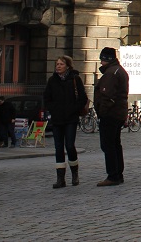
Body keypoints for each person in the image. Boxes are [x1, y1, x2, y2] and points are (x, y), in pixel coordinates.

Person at [43, 55, 88, 188]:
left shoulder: (75, 79)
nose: (58, 66)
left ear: (67, 66)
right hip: (57, 119)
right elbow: (47, 98)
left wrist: (74, 109)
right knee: (58, 147)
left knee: (69, 145)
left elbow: (82, 98)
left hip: (70, 119)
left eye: (61, 64)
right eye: (57, 64)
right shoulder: (52, 80)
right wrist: (52, 108)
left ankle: (75, 173)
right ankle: (60, 178)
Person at [94, 47, 129, 186]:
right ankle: (118, 173)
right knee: (115, 144)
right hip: (118, 113)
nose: (101, 63)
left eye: (102, 59)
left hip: (110, 114)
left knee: (108, 145)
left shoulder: (111, 73)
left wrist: (102, 111)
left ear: (106, 59)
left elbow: (107, 96)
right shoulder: (118, 70)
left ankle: (113, 175)